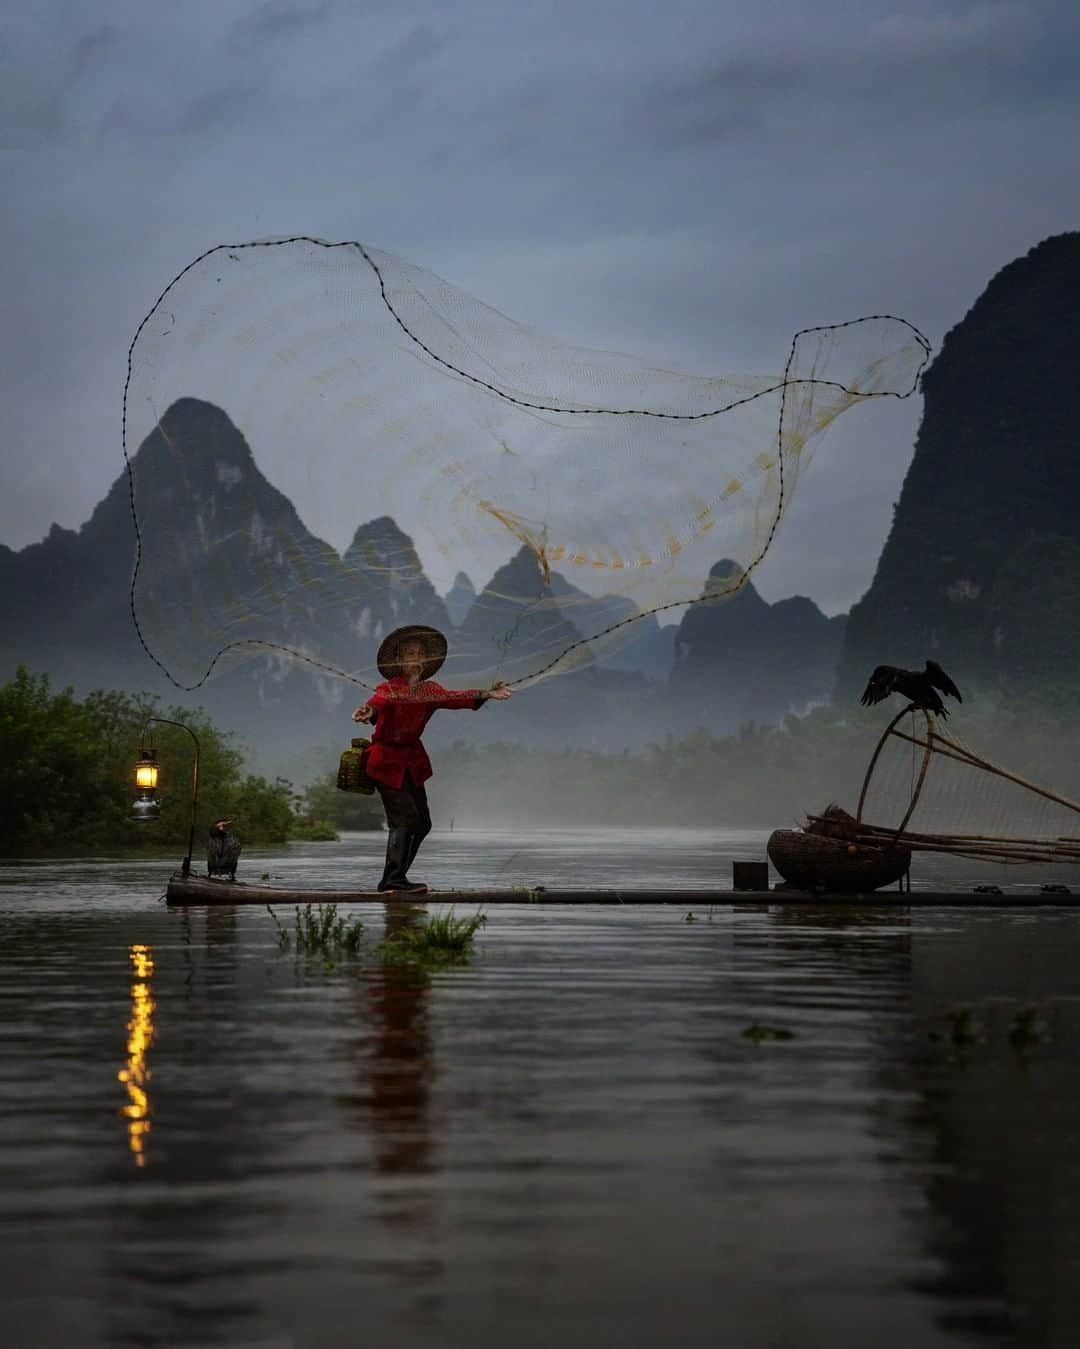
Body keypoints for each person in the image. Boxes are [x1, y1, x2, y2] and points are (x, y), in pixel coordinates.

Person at [352, 625, 512, 894]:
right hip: (385, 762)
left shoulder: (429, 691)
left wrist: (487, 694)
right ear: (400, 661)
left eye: (419, 654)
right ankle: (392, 880)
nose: (415, 658)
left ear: (425, 661)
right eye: (409, 654)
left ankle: (396, 878)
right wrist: (367, 712)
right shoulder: (389, 689)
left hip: (411, 763)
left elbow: (456, 697)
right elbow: (375, 703)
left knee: (423, 823)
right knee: (404, 820)